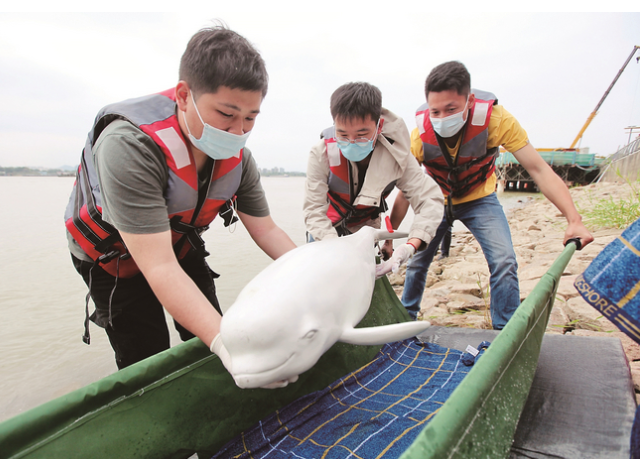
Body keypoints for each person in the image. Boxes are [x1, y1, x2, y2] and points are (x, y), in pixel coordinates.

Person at [64, 26, 297, 382]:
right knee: (148, 358)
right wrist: (226, 344)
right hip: (115, 259)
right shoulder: (128, 146)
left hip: (177, 241)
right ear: (185, 96)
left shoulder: (239, 159)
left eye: (250, 118)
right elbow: (159, 267)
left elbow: (267, 230)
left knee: (208, 334)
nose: (239, 132)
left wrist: (324, 268)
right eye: (226, 114)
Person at [385, 61, 594, 328]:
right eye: (435, 111)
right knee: (417, 263)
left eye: (451, 109)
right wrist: (392, 237)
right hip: (435, 203)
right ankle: (406, 321)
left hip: (479, 200)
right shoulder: (419, 136)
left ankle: (503, 331)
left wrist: (573, 220)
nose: (441, 118)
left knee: (504, 261)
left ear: (470, 100)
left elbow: (539, 169)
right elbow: (404, 192)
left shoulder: (497, 120)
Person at [303, 82, 444, 274]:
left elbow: (429, 199)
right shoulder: (321, 153)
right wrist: (336, 250)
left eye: (362, 135)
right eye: (342, 134)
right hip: (326, 231)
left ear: (379, 126)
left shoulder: (397, 155)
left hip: (365, 233)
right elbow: (314, 210)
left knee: (366, 287)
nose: (352, 142)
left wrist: (409, 246)